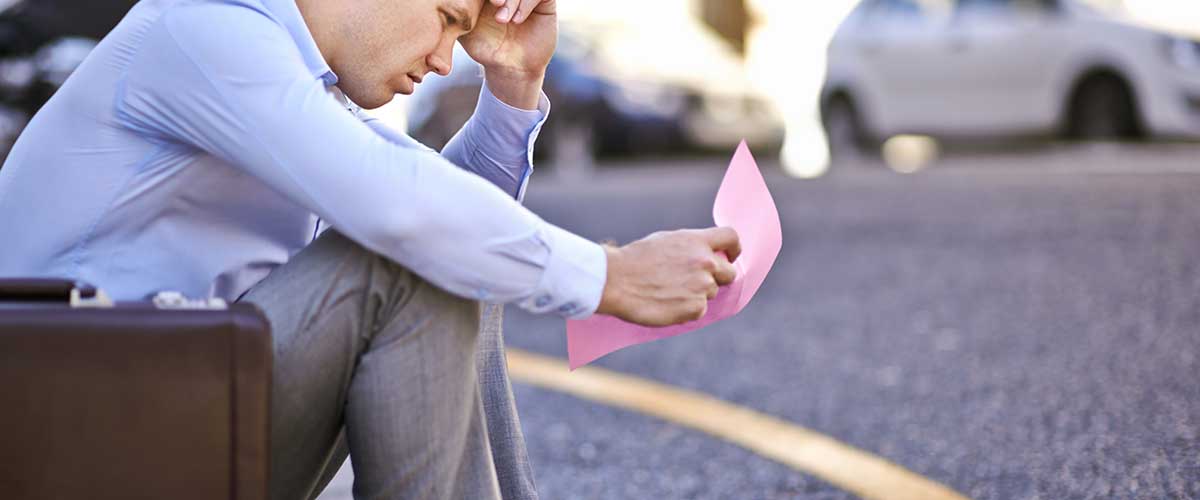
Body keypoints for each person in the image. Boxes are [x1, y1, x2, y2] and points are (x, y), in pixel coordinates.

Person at [0, 0, 741, 498]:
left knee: (447, 252)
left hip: (159, 414)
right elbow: (405, 212)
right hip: (75, 438)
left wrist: (513, 86)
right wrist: (608, 276)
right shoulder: (202, 29)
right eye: (447, 20)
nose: (447, 60)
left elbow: (439, 211)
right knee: (418, 253)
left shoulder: (290, 83)